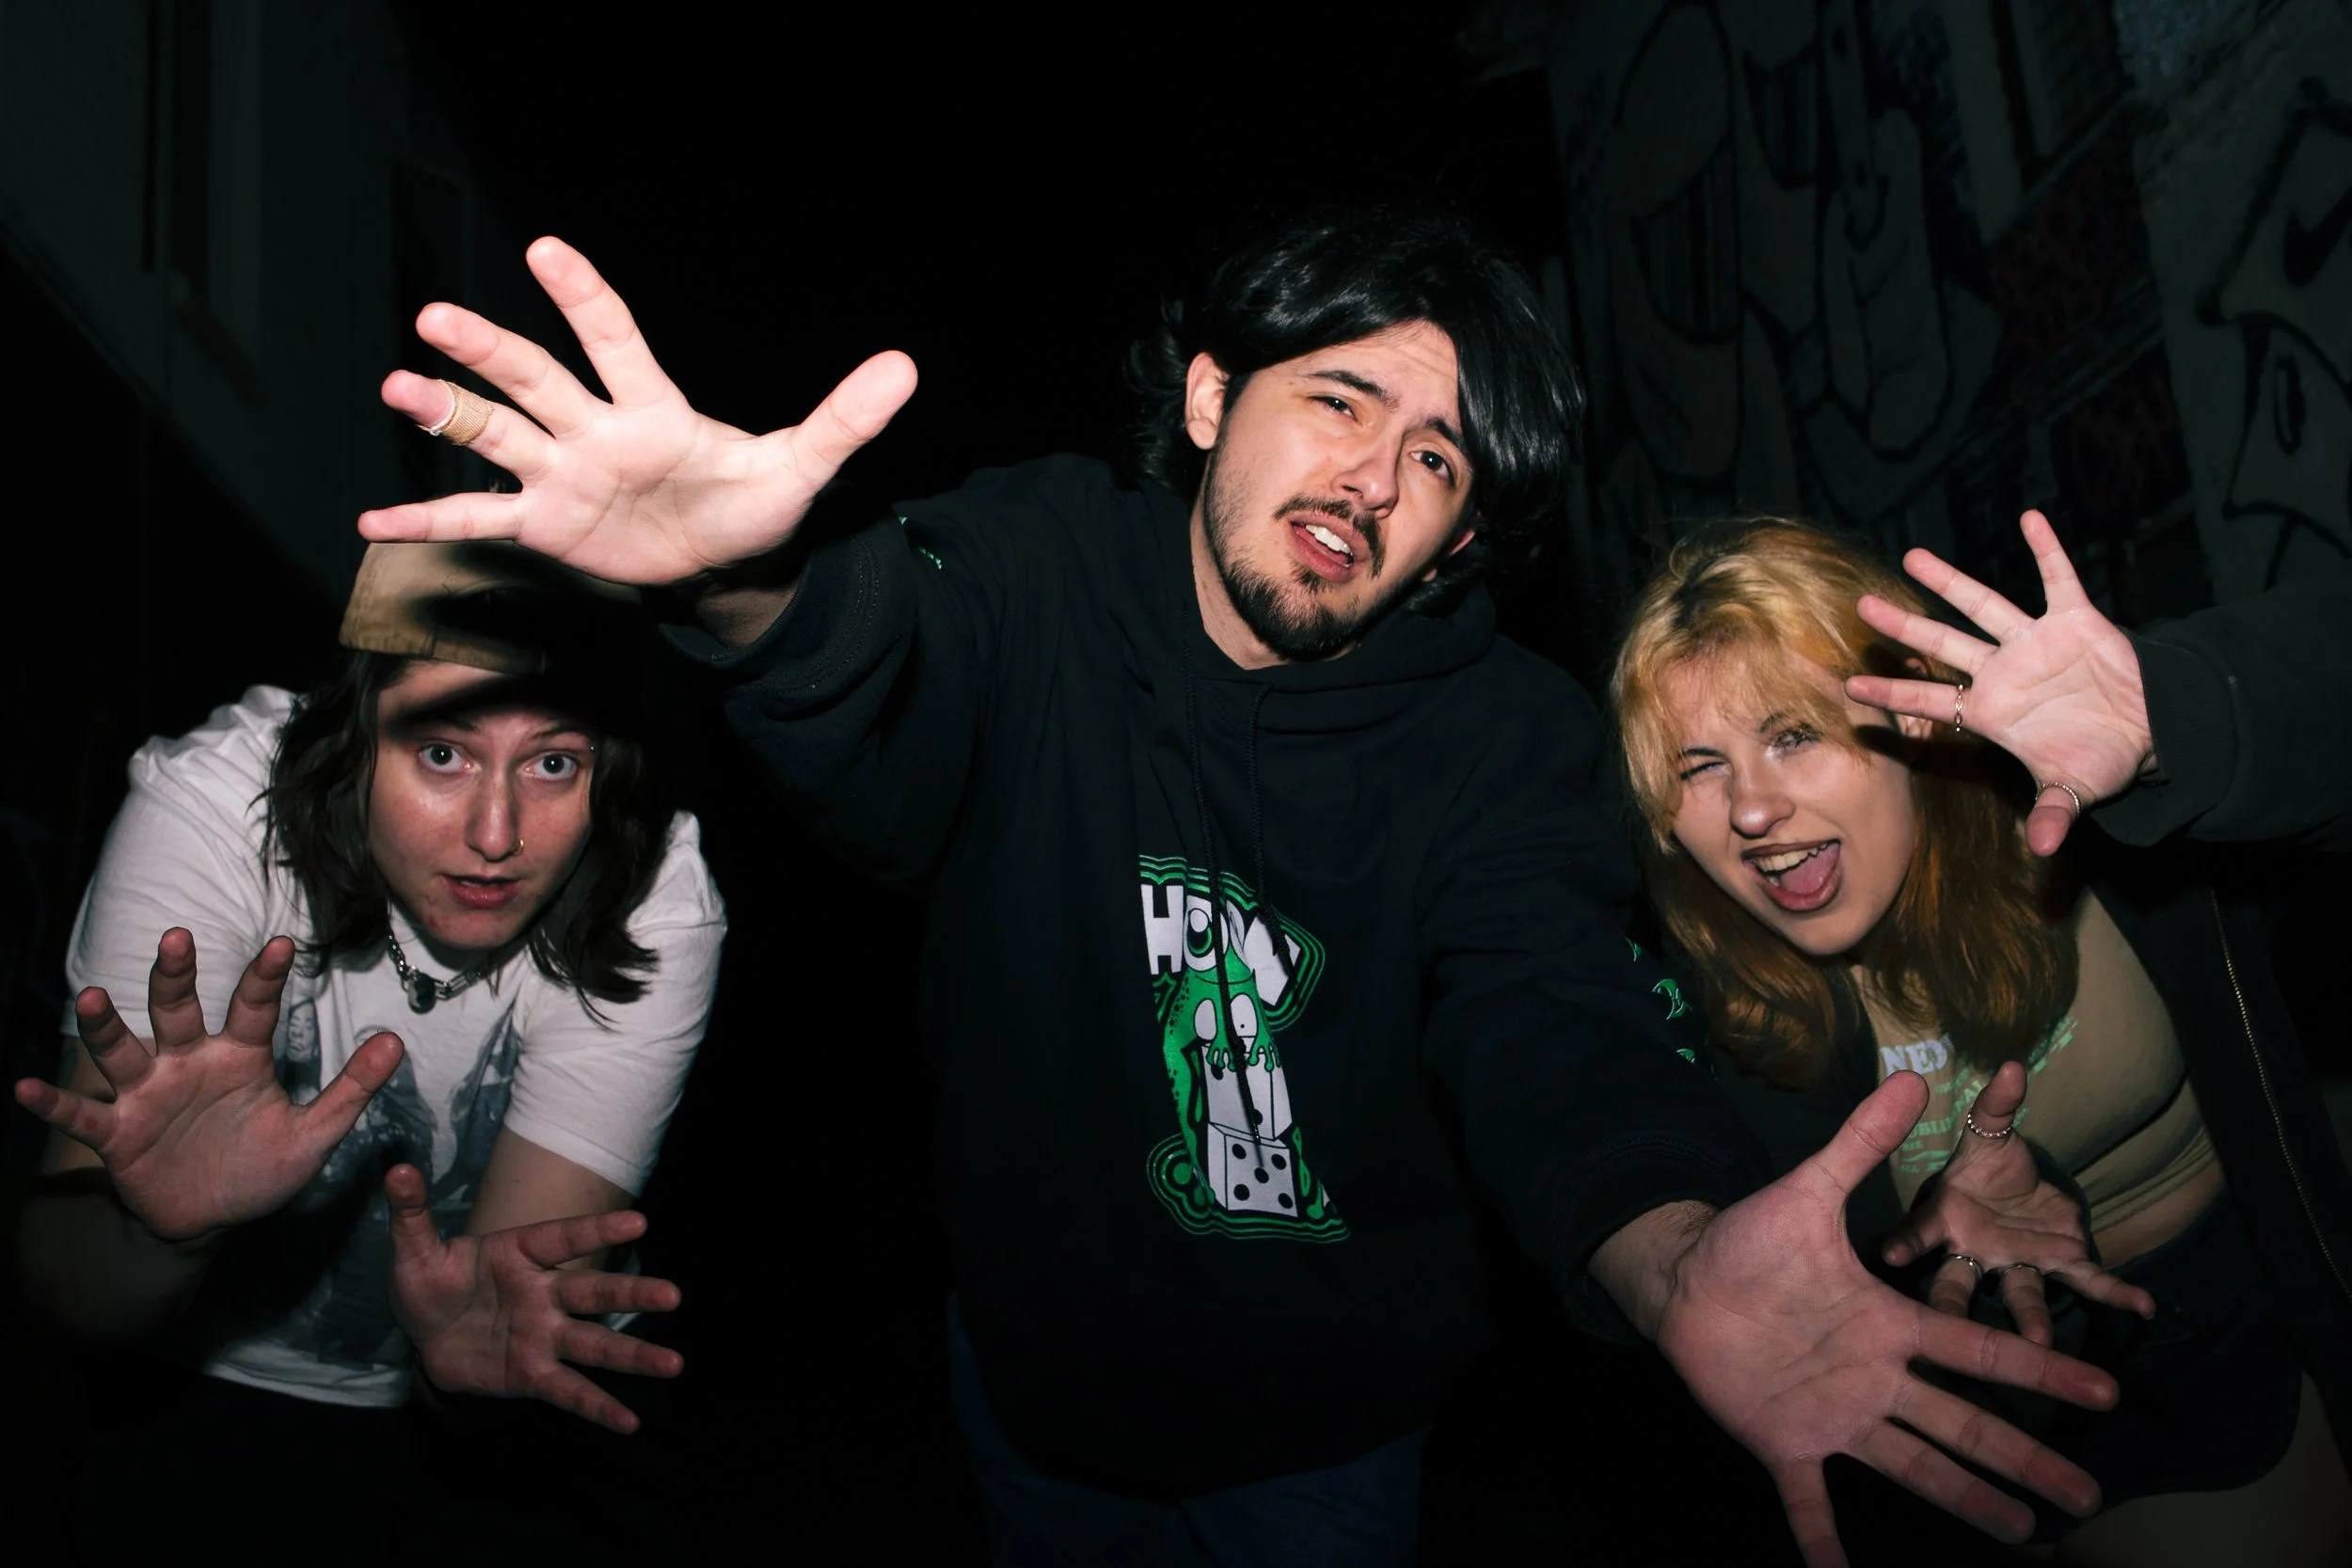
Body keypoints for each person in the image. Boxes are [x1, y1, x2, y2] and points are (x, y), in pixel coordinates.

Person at [357, 208, 2116, 1568]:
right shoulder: (1047, 562)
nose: (1376, 475)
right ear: (1210, 398)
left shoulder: (1502, 739)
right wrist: (743, 589)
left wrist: (1673, 1262)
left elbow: (1551, 1019)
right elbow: (889, 662)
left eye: (1440, 459)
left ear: (1460, 536)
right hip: (1032, 1402)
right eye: (1340, 399)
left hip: (1329, 1446)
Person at [1611, 511, 2352, 1563]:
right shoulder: (1710, 1004)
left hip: (2265, 1277)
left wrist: (2173, 714)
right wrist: (1912, 1244)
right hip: (2004, 1398)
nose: (1753, 810)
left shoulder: (2083, 814)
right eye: (1699, 767)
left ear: (1908, 717)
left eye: (1792, 734)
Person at [11, 542, 726, 1550]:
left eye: (553, 761)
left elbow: (497, 1349)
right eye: (443, 753)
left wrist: (462, 1377)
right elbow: (66, 1290)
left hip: (453, 1440)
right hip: (180, 1378)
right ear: (352, 736)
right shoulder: (217, 807)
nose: (495, 833)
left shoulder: (651, 897)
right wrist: (157, 1233)